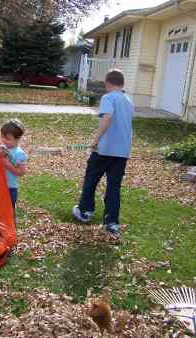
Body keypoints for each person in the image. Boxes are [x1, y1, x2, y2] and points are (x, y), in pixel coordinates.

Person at [72, 69, 133, 239]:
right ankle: (111, 223)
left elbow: (107, 117)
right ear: (122, 84)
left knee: (91, 179)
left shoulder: (108, 97)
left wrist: (95, 140)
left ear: (107, 83)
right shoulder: (128, 100)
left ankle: (85, 211)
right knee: (114, 187)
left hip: (104, 150)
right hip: (122, 152)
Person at [0, 119, 28, 217]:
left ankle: (9, 230)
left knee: (8, 213)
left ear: (17, 138)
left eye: (7, 138)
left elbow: (22, 172)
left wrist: (8, 166)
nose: (3, 140)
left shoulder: (19, 154)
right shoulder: (3, 148)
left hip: (10, 188)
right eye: (2, 136)